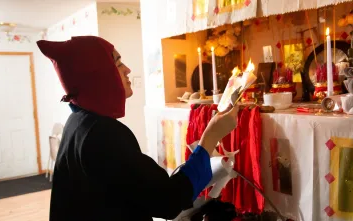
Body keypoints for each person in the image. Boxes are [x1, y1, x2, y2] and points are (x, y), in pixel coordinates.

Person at [37, 36, 239, 221]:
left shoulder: (79, 121)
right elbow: (167, 201)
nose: (127, 69)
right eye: (117, 63)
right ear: (97, 74)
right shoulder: (102, 134)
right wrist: (210, 136)